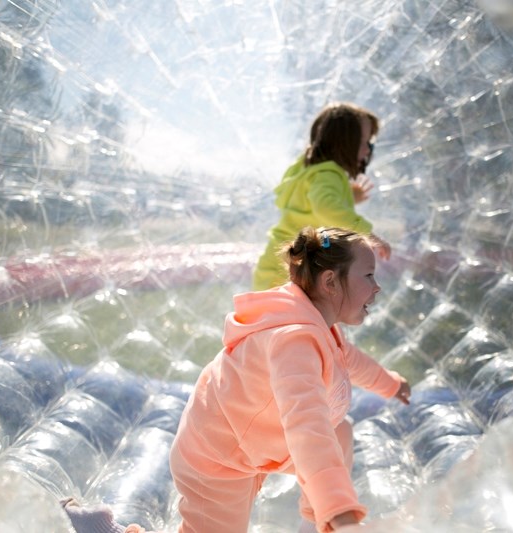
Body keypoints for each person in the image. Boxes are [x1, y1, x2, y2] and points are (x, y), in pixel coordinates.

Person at [170, 226, 411, 533]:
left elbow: (350, 359)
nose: (377, 287)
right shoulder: (292, 342)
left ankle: (313, 526)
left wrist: (391, 384)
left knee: (340, 433)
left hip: (260, 441)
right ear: (330, 283)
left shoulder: (321, 326)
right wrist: (339, 511)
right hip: (218, 457)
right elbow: (307, 428)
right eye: (368, 276)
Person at [252, 102, 393, 291]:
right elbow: (326, 208)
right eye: (365, 143)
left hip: (280, 266)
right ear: (345, 143)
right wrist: (365, 233)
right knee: (295, 319)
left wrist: (347, 197)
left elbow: (310, 203)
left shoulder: (309, 170)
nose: (368, 151)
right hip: (288, 272)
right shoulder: (328, 174)